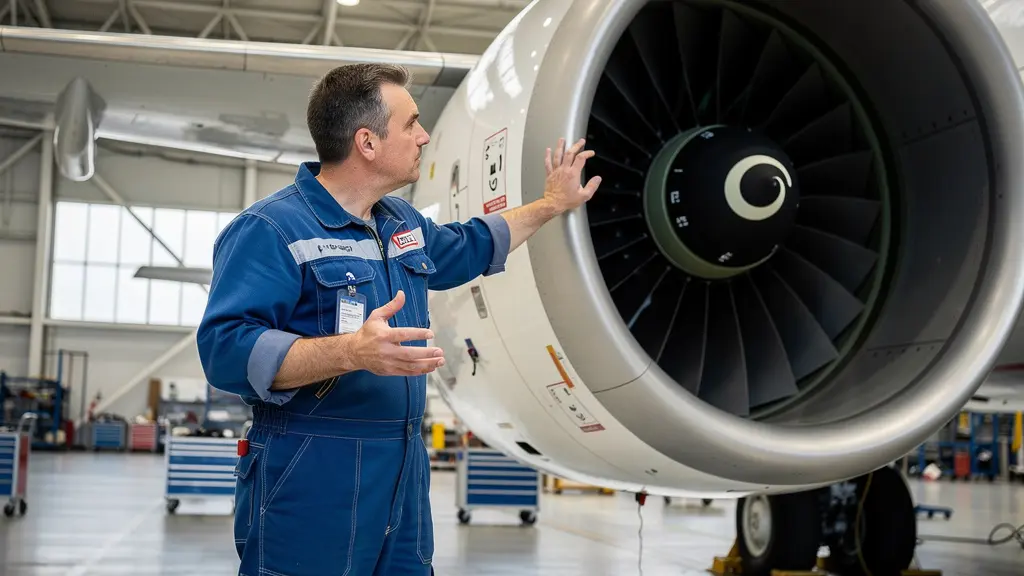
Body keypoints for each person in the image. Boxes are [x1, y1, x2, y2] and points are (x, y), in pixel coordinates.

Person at [196, 63, 602, 576]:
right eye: (411, 123)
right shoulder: (271, 229)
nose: (424, 135)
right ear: (367, 142)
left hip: (404, 471)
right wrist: (350, 352)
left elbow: (469, 245)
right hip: (310, 469)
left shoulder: (400, 223)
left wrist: (549, 205)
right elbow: (226, 351)